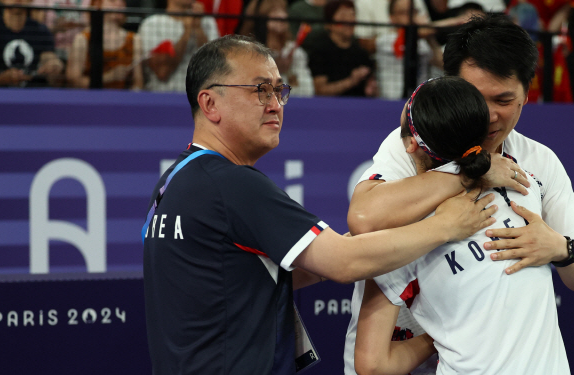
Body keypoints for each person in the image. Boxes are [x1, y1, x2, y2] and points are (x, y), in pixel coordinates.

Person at [143, 34, 502, 374]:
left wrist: (359, 242)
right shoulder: (231, 184)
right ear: (209, 103)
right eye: (260, 90)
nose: (274, 104)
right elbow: (344, 264)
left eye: (279, 90)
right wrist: (445, 225)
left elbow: (249, 279)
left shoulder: (175, 181)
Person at [344, 13, 574, 374]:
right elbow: (364, 216)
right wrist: (472, 173)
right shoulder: (417, 144)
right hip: (402, 346)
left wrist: (559, 247)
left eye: (503, 99)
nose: (489, 116)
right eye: (475, 98)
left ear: (527, 93)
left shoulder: (539, 162)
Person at [354, 76, 568, 375]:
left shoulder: (397, 239)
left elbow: (372, 366)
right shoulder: (525, 185)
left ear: (409, 144)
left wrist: (437, 339)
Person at [137, 0, 219, 92]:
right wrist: (187, 32)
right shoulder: (152, 23)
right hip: (162, 95)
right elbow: (162, 73)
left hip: (201, 98)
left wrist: (198, 28)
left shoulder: (208, 21)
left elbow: (216, 65)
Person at [239, 0, 314, 97]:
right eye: (274, 11)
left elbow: (307, 92)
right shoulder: (247, 52)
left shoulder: (296, 52)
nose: (282, 16)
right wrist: (274, 68)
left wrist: (288, 73)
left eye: (283, 11)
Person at [66, 0, 143, 89]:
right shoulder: (82, 39)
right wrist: (109, 77)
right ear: (97, 4)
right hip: (89, 99)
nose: (119, 4)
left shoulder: (134, 39)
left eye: (122, 2)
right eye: (112, 1)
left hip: (122, 99)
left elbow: (138, 83)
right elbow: (74, 81)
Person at [307, 0, 376, 97]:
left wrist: (371, 88)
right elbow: (320, 90)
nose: (349, 20)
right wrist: (351, 81)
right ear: (329, 23)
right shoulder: (320, 51)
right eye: (343, 16)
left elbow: (372, 90)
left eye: (352, 14)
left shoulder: (361, 53)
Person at [375, 0, 443, 99]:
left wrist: (430, 38)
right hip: (390, 101)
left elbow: (442, 63)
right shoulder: (384, 40)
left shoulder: (424, 43)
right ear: (392, 17)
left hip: (420, 102)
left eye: (412, 12)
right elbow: (405, 40)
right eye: (404, 13)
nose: (409, 17)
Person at [0, 0, 65, 87]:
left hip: (35, 95)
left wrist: (53, 64)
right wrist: (1, 78)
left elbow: (48, 56)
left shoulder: (41, 31)